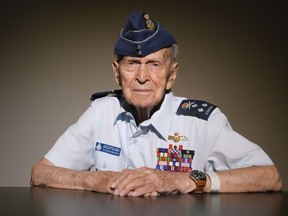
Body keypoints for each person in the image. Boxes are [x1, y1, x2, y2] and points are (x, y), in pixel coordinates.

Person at [31, 12, 282, 196]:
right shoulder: (101, 112)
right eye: (132, 64)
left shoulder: (201, 122)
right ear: (117, 73)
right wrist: (94, 180)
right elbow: (40, 173)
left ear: (171, 74)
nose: (142, 77)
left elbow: (269, 176)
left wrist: (186, 180)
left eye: (154, 64)